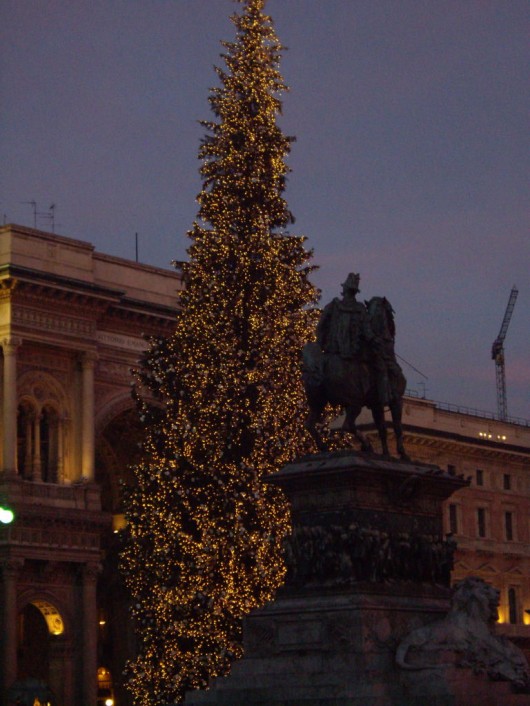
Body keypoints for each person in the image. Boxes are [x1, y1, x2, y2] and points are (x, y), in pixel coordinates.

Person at [316, 273, 389, 405]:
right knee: (380, 368)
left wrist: (319, 344)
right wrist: (375, 340)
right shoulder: (360, 309)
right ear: (355, 292)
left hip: (331, 352)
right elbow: (367, 332)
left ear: (344, 290)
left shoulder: (333, 305)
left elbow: (321, 326)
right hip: (354, 355)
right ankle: (383, 398)